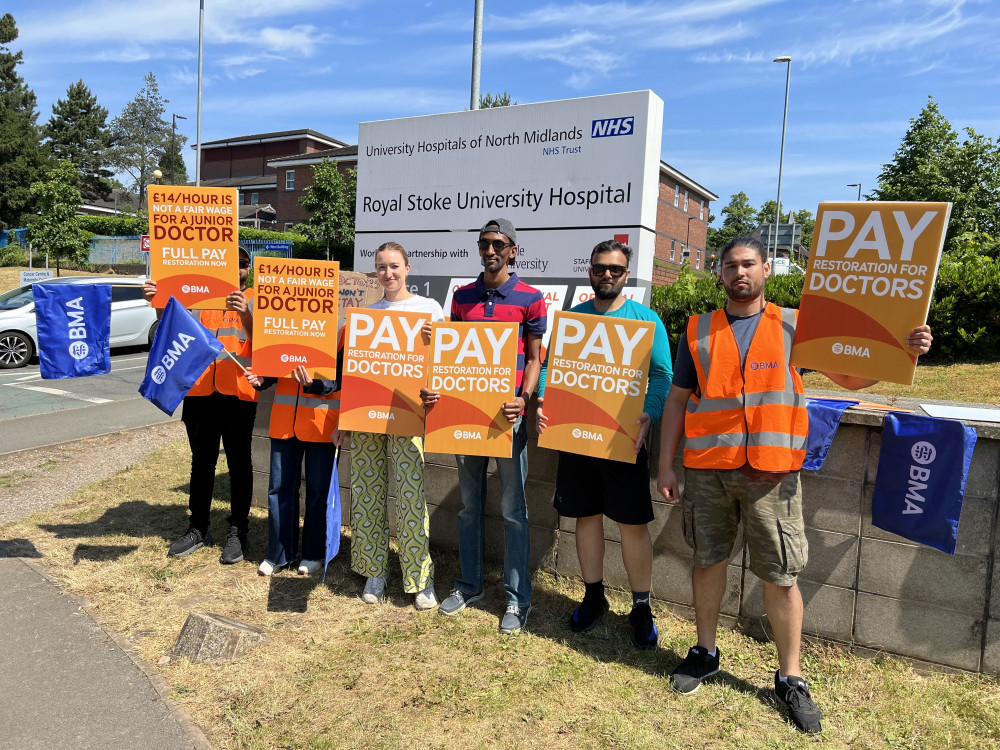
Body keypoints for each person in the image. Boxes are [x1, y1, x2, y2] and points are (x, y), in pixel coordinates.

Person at [656, 236, 933, 734]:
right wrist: (666, 465)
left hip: (772, 472)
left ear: (766, 269)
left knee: (781, 574)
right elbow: (677, 400)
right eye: (729, 265)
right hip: (708, 470)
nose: (739, 272)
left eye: (748, 264)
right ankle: (704, 652)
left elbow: (848, 378)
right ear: (719, 273)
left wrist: (902, 350)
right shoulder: (696, 329)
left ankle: (790, 677)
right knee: (706, 561)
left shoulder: (794, 324)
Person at [535, 239, 672, 649]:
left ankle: (641, 606)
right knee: (586, 517)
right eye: (599, 268)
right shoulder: (572, 320)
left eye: (614, 269)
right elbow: (550, 369)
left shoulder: (646, 321)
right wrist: (544, 398)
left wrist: (649, 412)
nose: (606, 274)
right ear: (590, 271)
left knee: (632, 524)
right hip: (576, 437)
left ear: (626, 274)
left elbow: (662, 375)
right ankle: (593, 596)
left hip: (623, 439)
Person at [421, 218, 547, 634]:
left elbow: (534, 358)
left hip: (507, 420)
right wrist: (436, 390)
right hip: (465, 418)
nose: (490, 250)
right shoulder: (462, 297)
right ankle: (469, 584)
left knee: (514, 512)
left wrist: (523, 400)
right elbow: (451, 356)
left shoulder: (531, 298)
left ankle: (516, 598)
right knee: (470, 507)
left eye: (498, 243)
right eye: (483, 243)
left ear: (513, 250)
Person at [333, 242, 443, 610]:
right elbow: (354, 371)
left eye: (394, 266)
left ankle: (420, 578)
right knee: (367, 495)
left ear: (408, 268)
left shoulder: (429, 310)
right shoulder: (366, 315)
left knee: (411, 498)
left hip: (408, 415)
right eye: (381, 267)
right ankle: (374, 570)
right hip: (367, 418)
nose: (388, 273)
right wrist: (345, 419)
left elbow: (444, 365)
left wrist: (435, 355)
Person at [143, 245, 258, 564]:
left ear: (248, 270)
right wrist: (156, 302)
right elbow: (171, 328)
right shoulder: (198, 296)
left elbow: (264, 344)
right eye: (232, 264)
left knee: (239, 465)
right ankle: (198, 527)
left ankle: (238, 530)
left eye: (243, 264)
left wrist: (245, 312)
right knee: (202, 462)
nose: (238, 269)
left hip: (238, 393)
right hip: (199, 391)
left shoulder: (257, 299)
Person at [246, 365, 339, 576]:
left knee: (318, 492)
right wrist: (264, 377)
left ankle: (313, 554)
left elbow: (343, 377)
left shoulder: (341, 331)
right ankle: (278, 553)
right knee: (279, 489)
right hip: (284, 421)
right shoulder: (285, 329)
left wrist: (313, 384)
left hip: (323, 424)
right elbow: (277, 360)